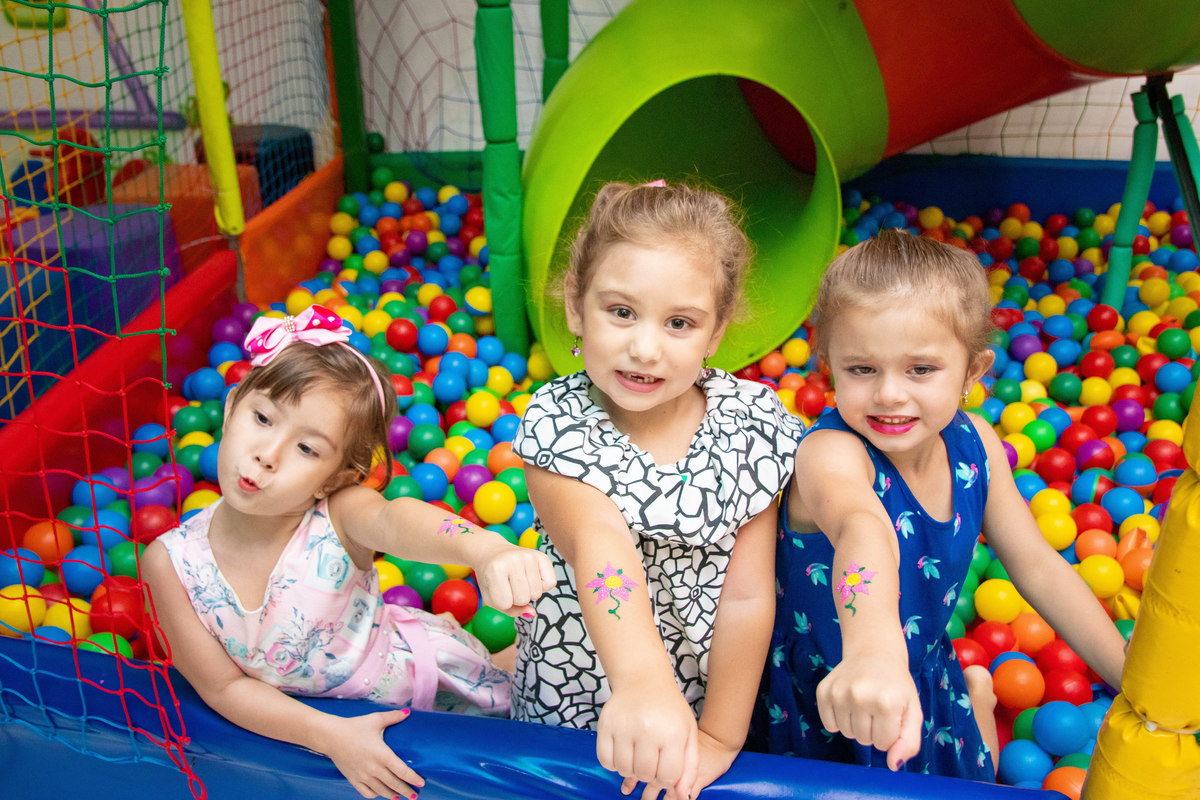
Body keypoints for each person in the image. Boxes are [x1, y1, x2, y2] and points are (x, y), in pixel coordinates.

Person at [142, 305, 556, 800]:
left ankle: (527, 651)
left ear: (336, 478)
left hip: (419, 692)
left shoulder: (339, 515)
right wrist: (330, 735)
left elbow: (398, 518)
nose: (267, 454)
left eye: (307, 449)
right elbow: (223, 688)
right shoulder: (168, 563)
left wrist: (486, 549)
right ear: (231, 407)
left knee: (524, 714)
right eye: (262, 417)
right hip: (310, 733)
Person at [755, 228, 1126, 780]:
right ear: (829, 365)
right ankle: (979, 700)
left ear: (971, 373)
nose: (889, 394)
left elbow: (1039, 568)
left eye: (921, 370)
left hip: (919, 673)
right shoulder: (830, 453)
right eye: (861, 369)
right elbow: (863, 529)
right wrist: (874, 652)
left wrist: (1128, 675)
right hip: (828, 692)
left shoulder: (977, 445)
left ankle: (974, 700)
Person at [511, 180, 805, 800]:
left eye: (679, 323)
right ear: (574, 304)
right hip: (582, 695)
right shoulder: (557, 422)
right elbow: (598, 541)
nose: (644, 348)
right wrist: (642, 684)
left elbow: (748, 598)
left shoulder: (751, 424)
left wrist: (720, 736)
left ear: (717, 332)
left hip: (711, 700)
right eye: (620, 312)